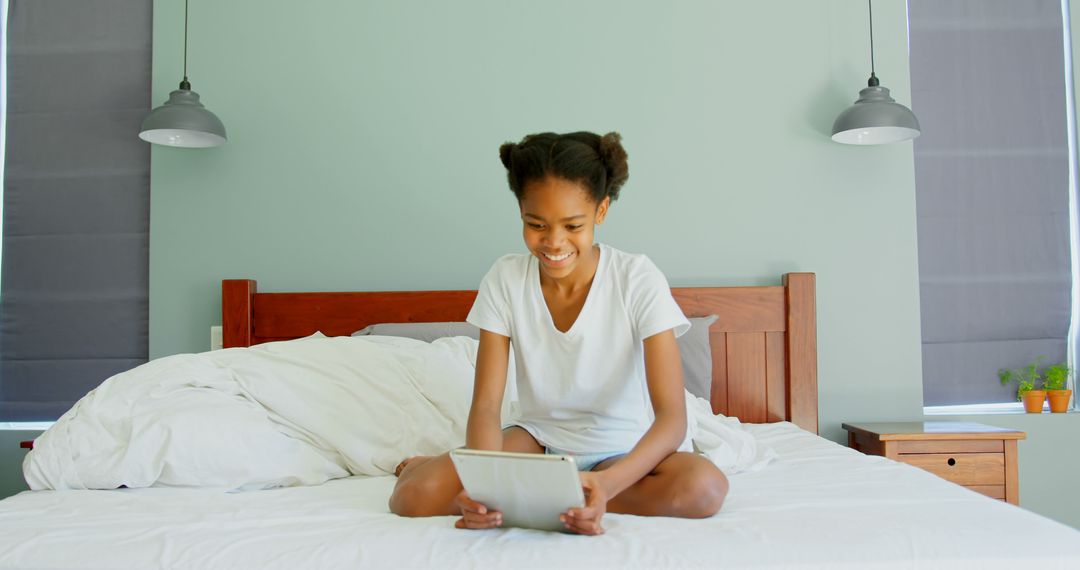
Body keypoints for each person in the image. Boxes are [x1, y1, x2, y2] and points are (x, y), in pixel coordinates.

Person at [388, 131, 728, 535]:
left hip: (622, 450)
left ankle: (558, 497)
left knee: (704, 489)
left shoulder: (637, 279)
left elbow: (672, 420)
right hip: (538, 443)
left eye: (573, 225)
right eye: (536, 224)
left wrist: (607, 483)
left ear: (601, 211)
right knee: (411, 498)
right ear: (521, 212)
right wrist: (484, 487)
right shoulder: (505, 279)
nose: (553, 242)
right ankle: (551, 497)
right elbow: (485, 406)